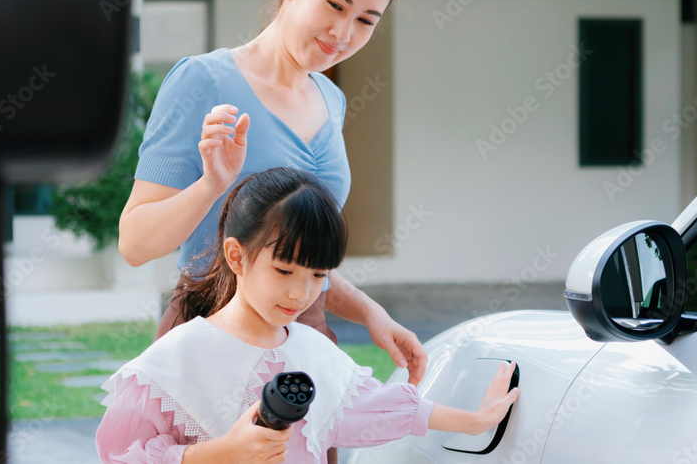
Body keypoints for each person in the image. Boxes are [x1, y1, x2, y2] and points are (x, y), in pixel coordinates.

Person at [117, 0, 427, 388]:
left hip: (305, 348)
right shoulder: (202, 81)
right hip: (215, 339)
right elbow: (134, 243)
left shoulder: (331, 99)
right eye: (335, 4)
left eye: (366, 20)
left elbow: (296, 258)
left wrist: (370, 313)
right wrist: (210, 186)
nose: (344, 32)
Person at [97, 168, 519, 464]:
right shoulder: (173, 362)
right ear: (236, 256)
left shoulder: (313, 354)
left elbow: (384, 409)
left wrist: (477, 420)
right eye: (284, 270)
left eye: (318, 274)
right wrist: (216, 455)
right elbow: (119, 456)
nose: (301, 293)